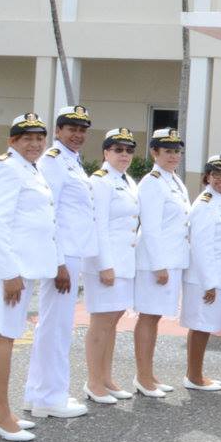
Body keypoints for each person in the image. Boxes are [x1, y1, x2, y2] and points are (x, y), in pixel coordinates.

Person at [0, 113, 56, 441]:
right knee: (5, 337)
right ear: (13, 141)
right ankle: (0, 415)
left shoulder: (30, 169)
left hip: (22, 269)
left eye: (40, 138)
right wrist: (11, 273)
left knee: (7, 335)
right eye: (27, 138)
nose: (35, 144)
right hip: (9, 271)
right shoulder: (5, 168)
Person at [25, 105, 95, 419]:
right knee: (56, 326)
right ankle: (50, 396)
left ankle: (37, 393)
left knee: (54, 325)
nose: (77, 135)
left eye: (82, 130)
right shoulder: (53, 161)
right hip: (62, 256)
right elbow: (48, 210)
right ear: (58, 131)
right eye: (71, 129)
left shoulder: (71, 162)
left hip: (71, 253)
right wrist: (57, 263)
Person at [82, 128, 140, 405]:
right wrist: (105, 265)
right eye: (118, 150)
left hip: (124, 263)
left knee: (113, 321)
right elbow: (98, 226)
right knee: (101, 322)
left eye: (128, 150)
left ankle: (106, 377)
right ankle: (93, 381)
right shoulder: (101, 181)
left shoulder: (127, 180)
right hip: (107, 264)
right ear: (106, 152)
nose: (124, 155)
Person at [133, 128, 191, 398]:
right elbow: (151, 227)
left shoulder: (174, 180)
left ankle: (149, 374)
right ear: (154, 152)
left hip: (171, 259)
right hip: (156, 262)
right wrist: (158, 265)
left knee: (154, 317)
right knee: (148, 316)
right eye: (167, 151)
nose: (173, 156)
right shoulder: (152, 182)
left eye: (176, 151)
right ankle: (143, 378)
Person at [181, 154, 221, 392]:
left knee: (203, 325)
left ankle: (195, 373)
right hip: (205, 278)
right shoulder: (205, 203)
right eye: (217, 174)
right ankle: (194, 377)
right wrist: (209, 283)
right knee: (200, 325)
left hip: (216, 275)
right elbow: (201, 246)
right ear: (207, 177)